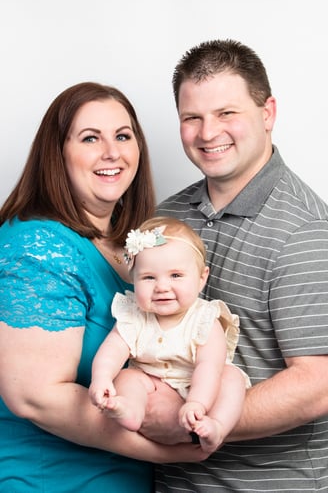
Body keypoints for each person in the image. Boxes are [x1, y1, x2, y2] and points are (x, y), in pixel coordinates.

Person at [0, 82, 206, 493]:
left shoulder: (129, 246)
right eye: (90, 138)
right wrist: (171, 449)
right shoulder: (38, 246)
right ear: (57, 153)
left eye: (123, 136)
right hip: (52, 482)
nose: (112, 152)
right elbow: (32, 397)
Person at [142, 39, 328, 491]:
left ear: (267, 113)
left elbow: (318, 382)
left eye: (227, 113)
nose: (208, 133)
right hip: (171, 482)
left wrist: (187, 419)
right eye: (193, 118)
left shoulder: (304, 229)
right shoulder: (169, 217)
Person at [89, 216, 249, 454]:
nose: (162, 286)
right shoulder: (134, 316)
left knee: (231, 378)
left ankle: (217, 426)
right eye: (149, 277)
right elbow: (112, 350)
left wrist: (197, 402)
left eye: (175, 276)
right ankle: (130, 409)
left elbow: (209, 367)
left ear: (201, 278)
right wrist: (100, 378)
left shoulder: (205, 318)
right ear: (133, 279)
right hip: (150, 385)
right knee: (127, 378)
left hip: (201, 385)